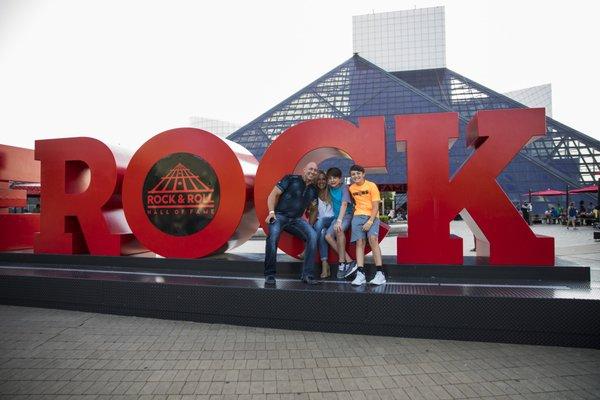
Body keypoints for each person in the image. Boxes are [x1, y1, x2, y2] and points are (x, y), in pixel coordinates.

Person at [264, 161, 319, 285]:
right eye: (310, 169)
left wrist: (309, 225)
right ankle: (270, 274)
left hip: (297, 220)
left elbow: (314, 209)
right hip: (279, 216)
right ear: (304, 169)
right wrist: (271, 212)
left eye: (315, 170)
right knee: (272, 238)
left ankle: (307, 275)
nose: (313, 172)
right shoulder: (290, 179)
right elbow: (273, 195)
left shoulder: (313, 190)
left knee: (313, 236)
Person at [347, 164, 385, 286]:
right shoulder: (351, 188)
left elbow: (375, 206)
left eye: (358, 173)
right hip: (357, 216)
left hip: (372, 216)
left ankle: (380, 273)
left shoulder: (371, 185)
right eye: (353, 174)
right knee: (360, 243)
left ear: (363, 174)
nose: (356, 176)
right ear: (351, 176)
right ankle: (360, 274)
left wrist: (370, 221)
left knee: (373, 239)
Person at [323, 167, 355, 279]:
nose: (332, 180)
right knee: (327, 236)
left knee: (339, 230)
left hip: (346, 216)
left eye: (335, 178)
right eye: (330, 178)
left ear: (340, 178)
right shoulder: (329, 189)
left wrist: (339, 221)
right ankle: (349, 260)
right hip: (336, 217)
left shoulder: (344, 188)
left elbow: (344, 204)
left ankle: (342, 264)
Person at [311, 170, 335, 278]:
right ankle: (325, 265)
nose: (321, 181)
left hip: (332, 220)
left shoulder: (332, 191)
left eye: (323, 179)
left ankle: (308, 247)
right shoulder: (314, 195)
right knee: (322, 233)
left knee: (320, 222)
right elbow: (314, 212)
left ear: (326, 180)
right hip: (322, 224)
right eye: (319, 179)